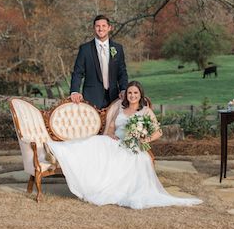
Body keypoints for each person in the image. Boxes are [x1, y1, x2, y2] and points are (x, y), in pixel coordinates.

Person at [48, 81, 202, 209]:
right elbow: (111, 127)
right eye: (130, 93)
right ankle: (60, 149)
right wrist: (110, 134)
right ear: (126, 94)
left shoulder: (146, 111)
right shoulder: (121, 108)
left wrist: (145, 139)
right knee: (94, 142)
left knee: (125, 156)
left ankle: (62, 153)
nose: (132, 96)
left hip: (132, 146)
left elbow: (158, 131)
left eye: (135, 93)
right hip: (115, 141)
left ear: (140, 94)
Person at [70, 15, 128, 109]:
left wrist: (124, 89)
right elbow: (78, 72)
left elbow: (122, 72)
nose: (101, 29)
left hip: (114, 97)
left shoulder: (118, 48)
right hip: (91, 98)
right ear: (94, 28)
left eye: (104, 26)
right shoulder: (85, 49)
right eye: (97, 26)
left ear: (109, 28)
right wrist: (75, 91)